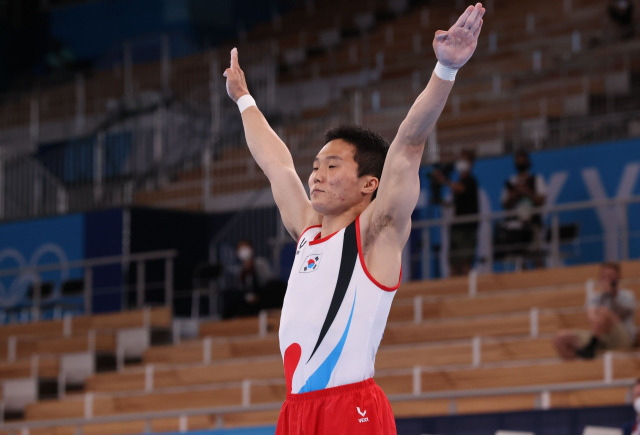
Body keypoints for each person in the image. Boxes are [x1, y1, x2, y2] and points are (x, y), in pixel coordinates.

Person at [224, 4, 484, 433]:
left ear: (369, 184)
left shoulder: (376, 232)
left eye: (332, 166)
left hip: (351, 408)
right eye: (316, 166)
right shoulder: (307, 232)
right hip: (295, 412)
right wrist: (244, 99)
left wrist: (445, 69)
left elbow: (409, 145)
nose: (316, 176)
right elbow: (277, 165)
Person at [554, 262, 637, 360]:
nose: (608, 279)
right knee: (560, 338)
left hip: (623, 337)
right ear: (600, 278)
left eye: (611, 276)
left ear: (618, 278)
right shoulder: (595, 298)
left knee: (603, 312)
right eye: (605, 276)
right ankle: (578, 369)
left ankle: (592, 344)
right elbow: (592, 317)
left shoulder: (627, 296)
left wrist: (609, 295)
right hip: (601, 336)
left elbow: (623, 313)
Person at [433, 149, 479, 276]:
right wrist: (441, 201)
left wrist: (443, 180)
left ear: (471, 163)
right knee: (454, 264)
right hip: (457, 228)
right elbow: (454, 203)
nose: (461, 162)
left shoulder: (470, 181)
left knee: (465, 263)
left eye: (464, 159)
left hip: (466, 230)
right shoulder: (458, 182)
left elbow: (460, 189)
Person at [498, 149, 547, 267]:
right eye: (517, 161)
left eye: (522, 161)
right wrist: (515, 194)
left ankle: (541, 279)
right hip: (516, 227)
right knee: (520, 258)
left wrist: (527, 192)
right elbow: (504, 204)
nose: (520, 164)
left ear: (528, 162)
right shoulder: (510, 182)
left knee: (536, 255)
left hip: (533, 223)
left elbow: (541, 200)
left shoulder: (536, 179)